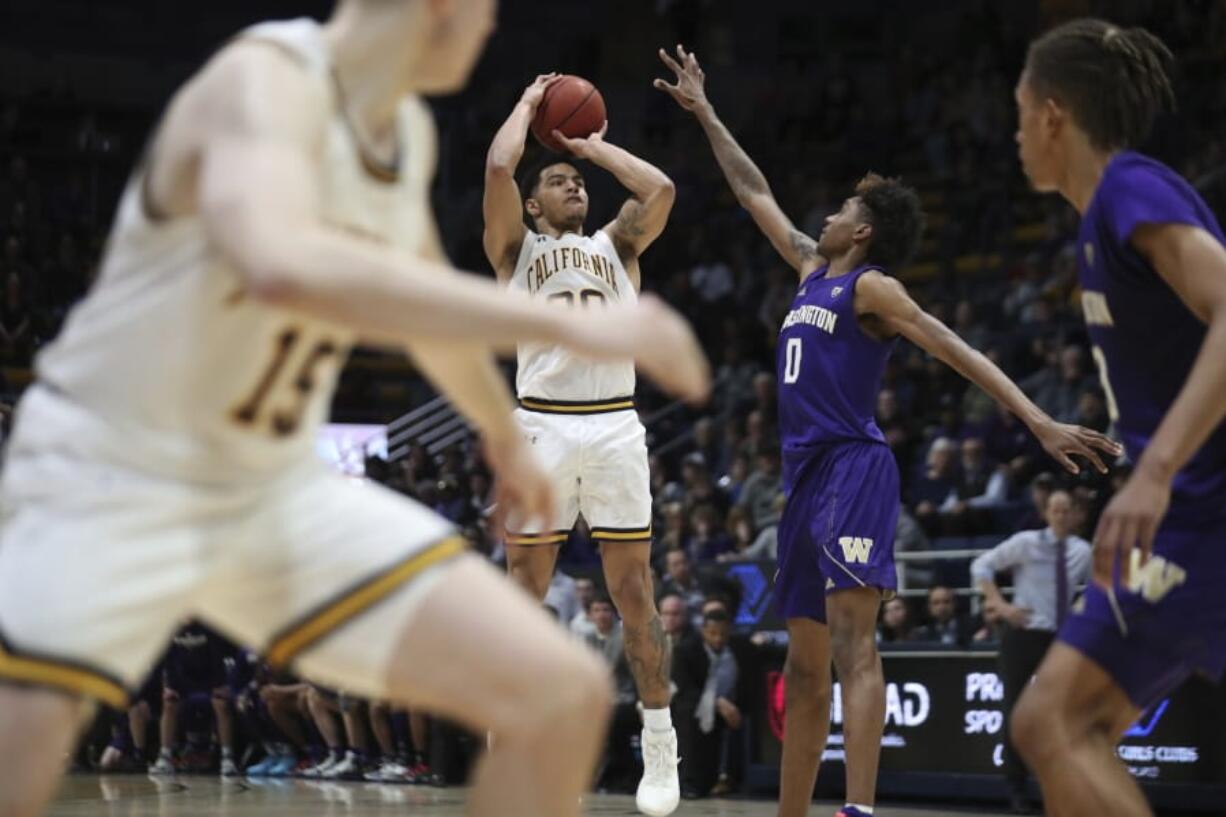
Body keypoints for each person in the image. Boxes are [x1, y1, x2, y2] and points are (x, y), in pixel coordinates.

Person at [0, 4, 712, 816]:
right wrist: (547, 320)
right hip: (119, 461)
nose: (487, 36)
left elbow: (430, 315)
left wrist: (500, 434)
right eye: (478, 16)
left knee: (559, 688)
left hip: (267, 483)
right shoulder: (266, 74)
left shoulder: (402, 140)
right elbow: (278, 266)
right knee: (18, 762)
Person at [656, 43, 1119, 817]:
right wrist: (706, 112)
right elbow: (751, 191)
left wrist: (1038, 420)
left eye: (843, 209)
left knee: (850, 648)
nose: (830, 212)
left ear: (863, 232)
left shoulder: (874, 288)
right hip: (802, 482)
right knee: (802, 671)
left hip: (853, 469)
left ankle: (860, 809)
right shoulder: (811, 269)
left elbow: (955, 347)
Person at [1009, 19, 1226, 817]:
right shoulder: (1099, 223)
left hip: (1206, 515)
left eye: (1020, 112)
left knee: (1053, 721)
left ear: (1054, 115)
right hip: (1187, 515)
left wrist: (1156, 475)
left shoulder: (1132, 186)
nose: (1017, 133)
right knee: (1064, 723)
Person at [483, 73, 682, 816]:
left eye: (578, 181)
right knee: (524, 594)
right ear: (534, 205)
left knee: (635, 592)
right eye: (559, 180)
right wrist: (531, 107)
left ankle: (659, 742)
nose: (573, 187)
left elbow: (659, 188)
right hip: (541, 421)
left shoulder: (616, 246)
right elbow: (500, 167)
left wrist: (594, 149)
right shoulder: (517, 250)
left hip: (614, 423)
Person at [971, 489, 1091, 813]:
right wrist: (998, 604)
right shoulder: (1027, 542)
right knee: (1015, 709)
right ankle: (1015, 787)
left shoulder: (1083, 551)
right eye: (1056, 509)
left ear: (1076, 514)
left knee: (1063, 712)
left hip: (1060, 637)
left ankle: (1062, 783)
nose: (1061, 515)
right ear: (1046, 513)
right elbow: (981, 566)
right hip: (1023, 634)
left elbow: (1098, 588)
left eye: (1067, 510)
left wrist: (1082, 610)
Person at [910, 585, 974, 648]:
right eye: (936, 603)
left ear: (955, 603)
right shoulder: (923, 635)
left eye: (946, 602)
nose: (942, 607)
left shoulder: (971, 628)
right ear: (929, 607)